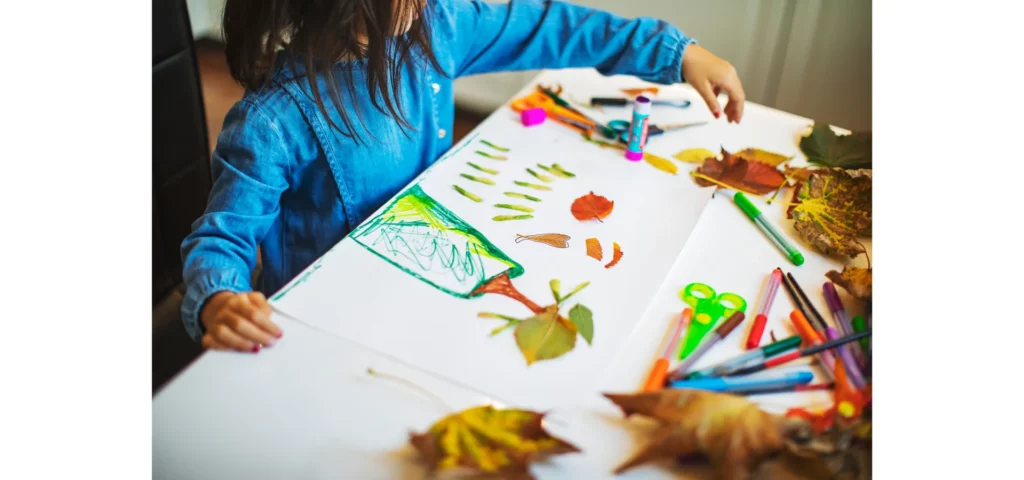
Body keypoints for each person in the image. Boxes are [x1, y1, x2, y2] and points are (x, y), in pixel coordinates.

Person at [182, 0, 746, 353]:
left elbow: (550, 25)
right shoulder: (271, 120)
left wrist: (675, 51)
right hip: (332, 325)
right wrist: (220, 299)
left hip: (431, 294)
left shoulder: (435, 27)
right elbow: (220, 240)